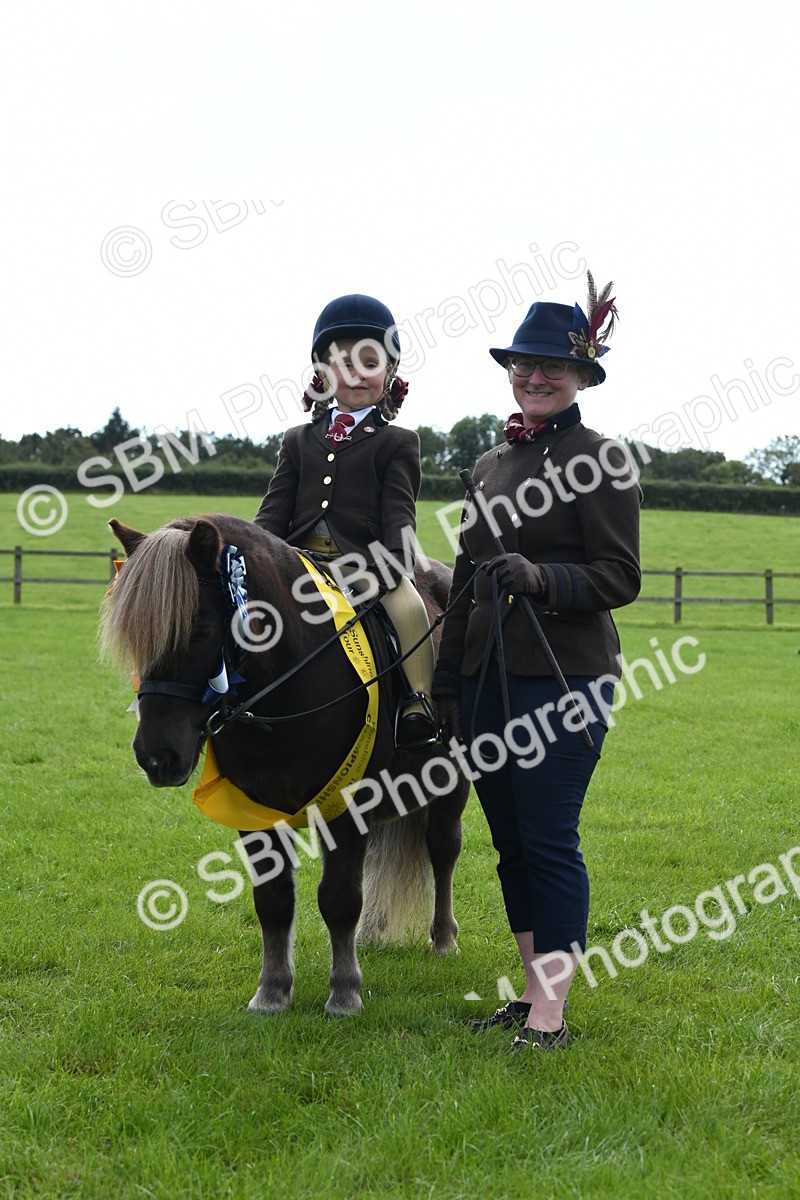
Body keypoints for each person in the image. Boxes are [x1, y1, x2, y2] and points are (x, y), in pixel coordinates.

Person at [433, 273, 641, 1050]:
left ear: (581, 375)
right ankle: (529, 995)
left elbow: (621, 576)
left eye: (552, 366)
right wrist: (448, 685)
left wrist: (545, 579)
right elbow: (464, 583)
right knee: (511, 840)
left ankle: (551, 1014)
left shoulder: (602, 458)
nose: (535, 376)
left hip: (566, 679)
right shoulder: (490, 464)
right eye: (523, 364)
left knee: (550, 837)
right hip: (485, 679)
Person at [253, 293, 437, 749]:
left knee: (410, 607)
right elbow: (271, 516)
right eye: (344, 363)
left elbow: (400, 524)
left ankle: (418, 701)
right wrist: (250, 559)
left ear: (389, 373)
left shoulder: (398, 443)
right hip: (298, 564)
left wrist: (388, 569)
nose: (356, 373)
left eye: (370, 363)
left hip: (367, 566)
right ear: (322, 371)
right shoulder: (297, 440)